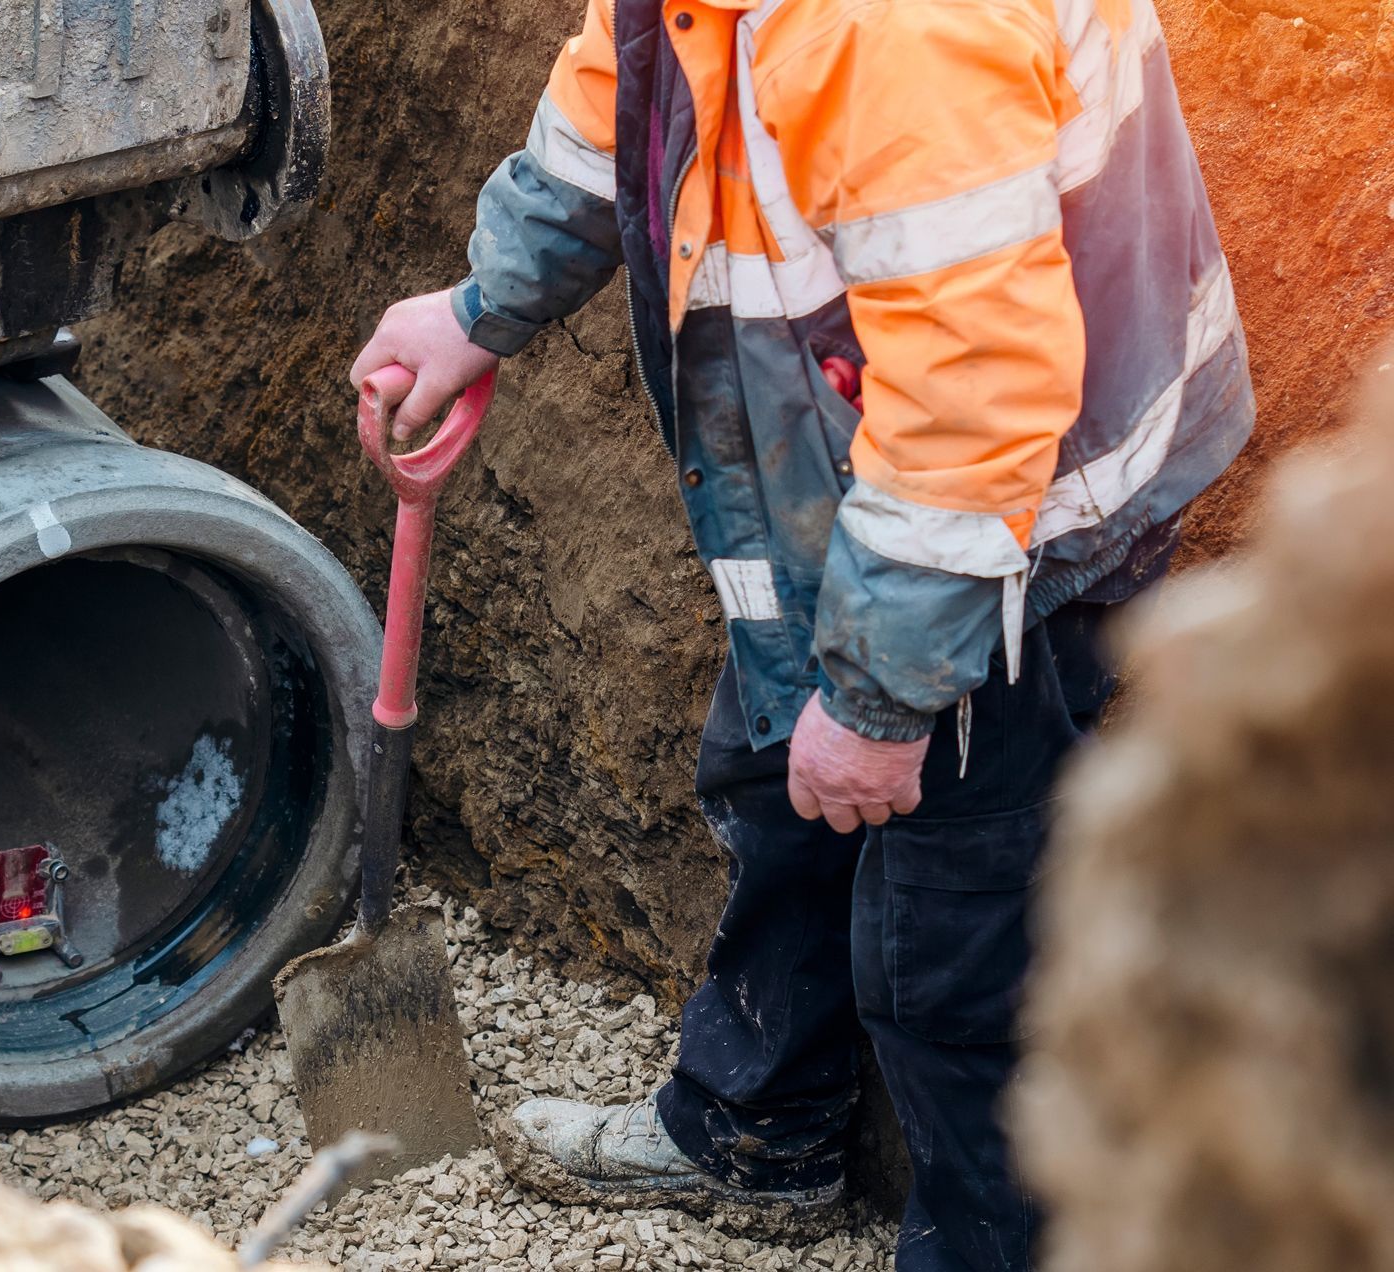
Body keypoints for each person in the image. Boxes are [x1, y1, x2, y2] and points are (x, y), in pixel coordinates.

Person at [349, 0, 1252, 1267]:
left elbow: (972, 402)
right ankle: (755, 1130)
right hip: (843, 471)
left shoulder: (902, 32)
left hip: (1013, 531)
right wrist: (478, 304)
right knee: (778, 777)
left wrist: (884, 699)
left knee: (955, 944)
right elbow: (627, 100)